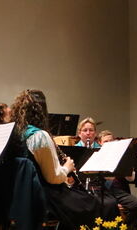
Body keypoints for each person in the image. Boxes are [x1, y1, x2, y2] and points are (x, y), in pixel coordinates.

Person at [11, 89, 118, 229]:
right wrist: (67, 167)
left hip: (23, 193)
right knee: (94, 204)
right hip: (46, 196)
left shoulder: (17, 134)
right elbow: (53, 177)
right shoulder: (39, 136)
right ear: (41, 111)